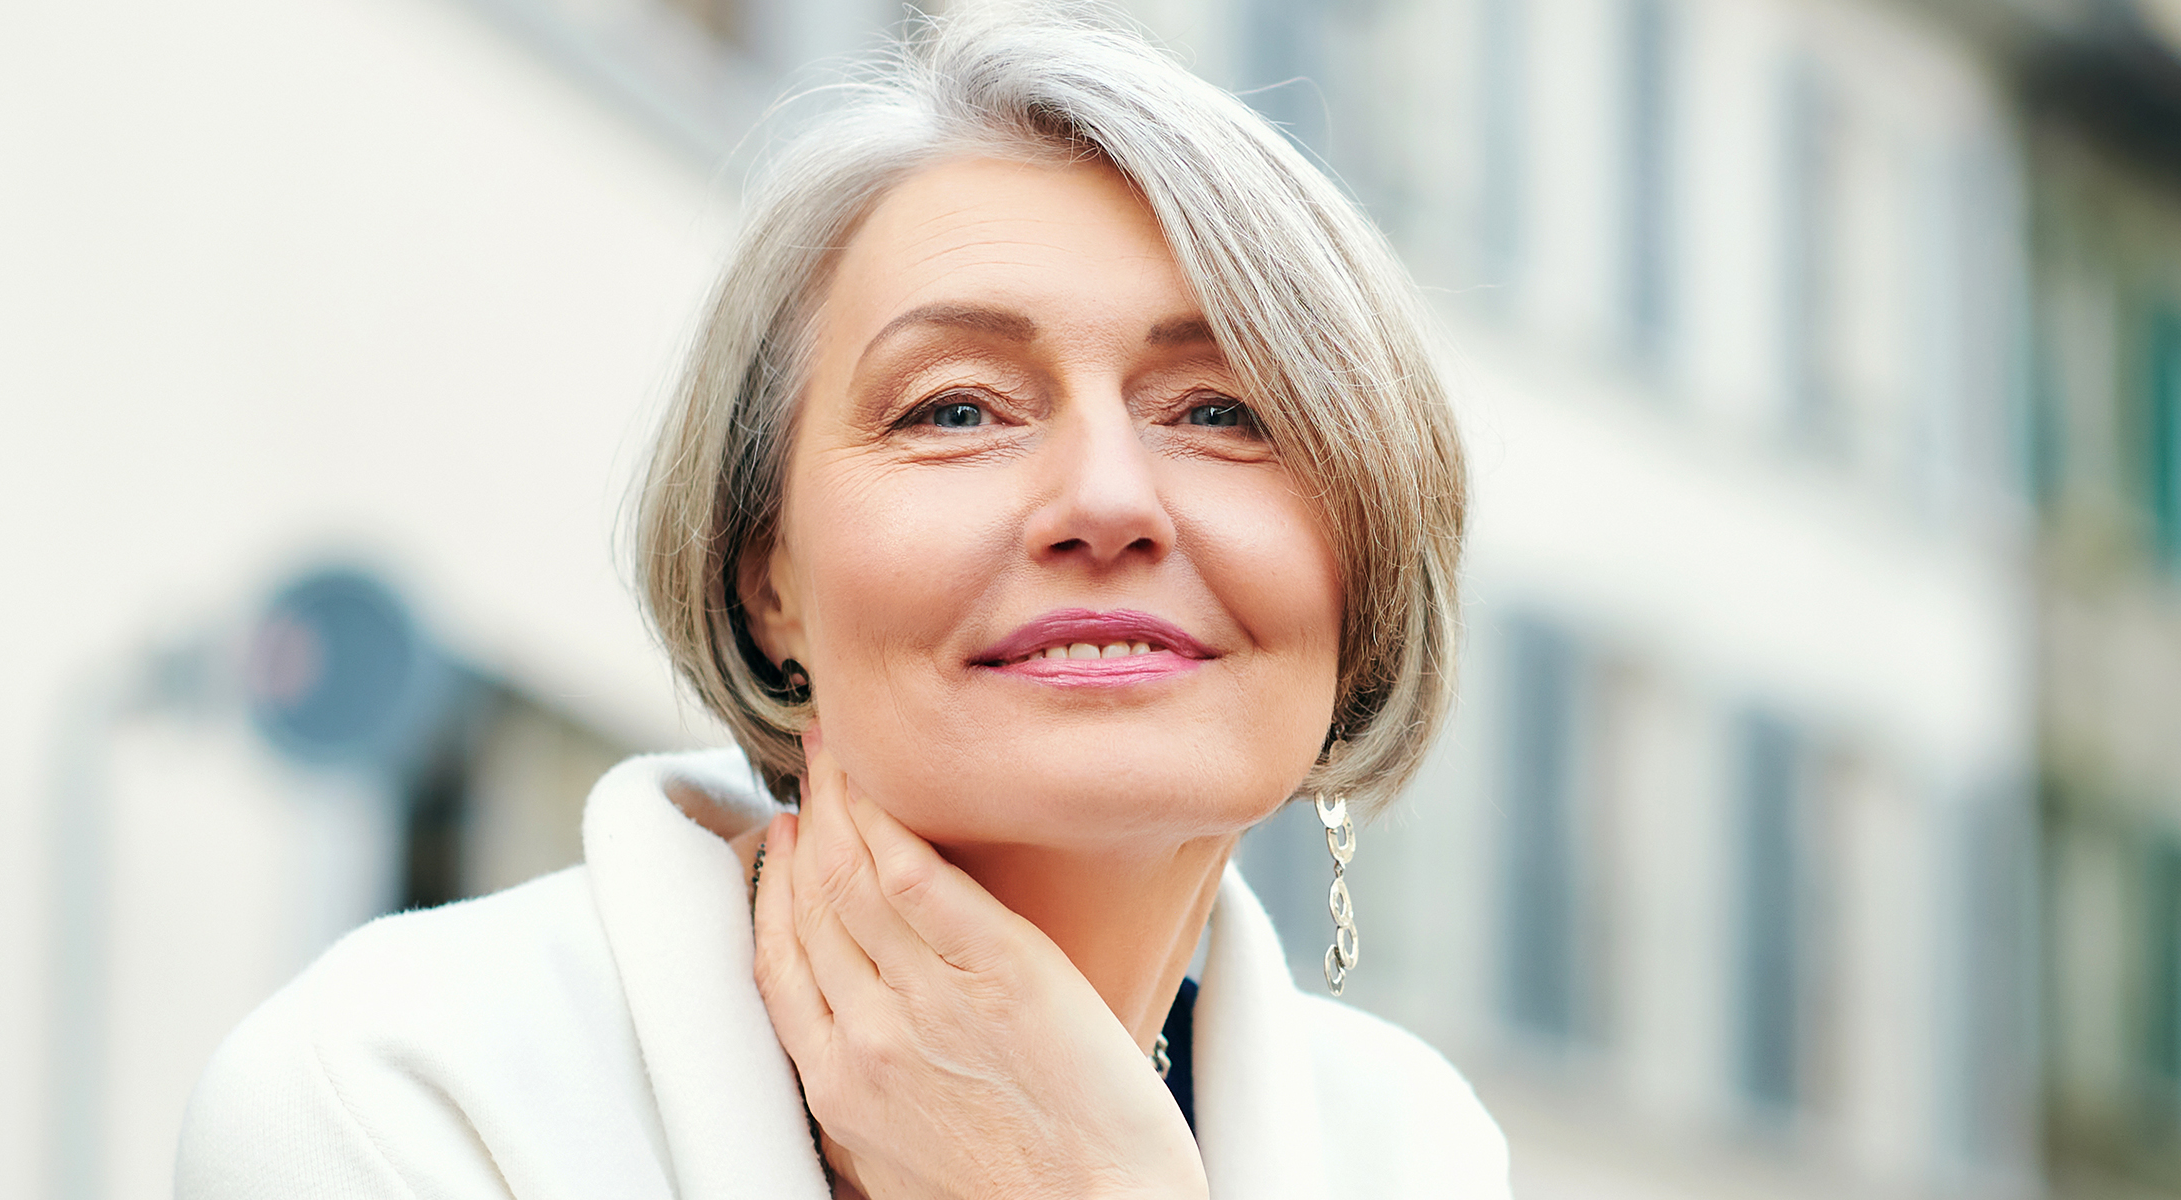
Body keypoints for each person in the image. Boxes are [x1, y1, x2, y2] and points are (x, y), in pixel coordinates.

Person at [174, 5, 1506, 1197]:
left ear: (1369, 562)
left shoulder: (1415, 1151)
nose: (1107, 499)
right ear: (770, 585)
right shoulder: (402, 1095)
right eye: (957, 408)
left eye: (1222, 410)